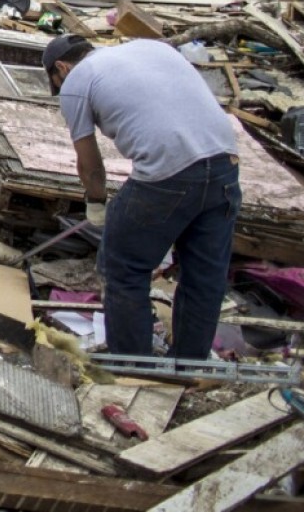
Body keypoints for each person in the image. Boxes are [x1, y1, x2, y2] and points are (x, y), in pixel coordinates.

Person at [44, 35, 240, 362]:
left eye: (57, 82)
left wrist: (96, 203)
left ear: (61, 68)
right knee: (204, 278)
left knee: (122, 268)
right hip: (225, 167)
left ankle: (135, 368)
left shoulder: (76, 80)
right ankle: (188, 365)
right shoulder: (152, 48)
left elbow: (89, 164)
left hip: (167, 174)